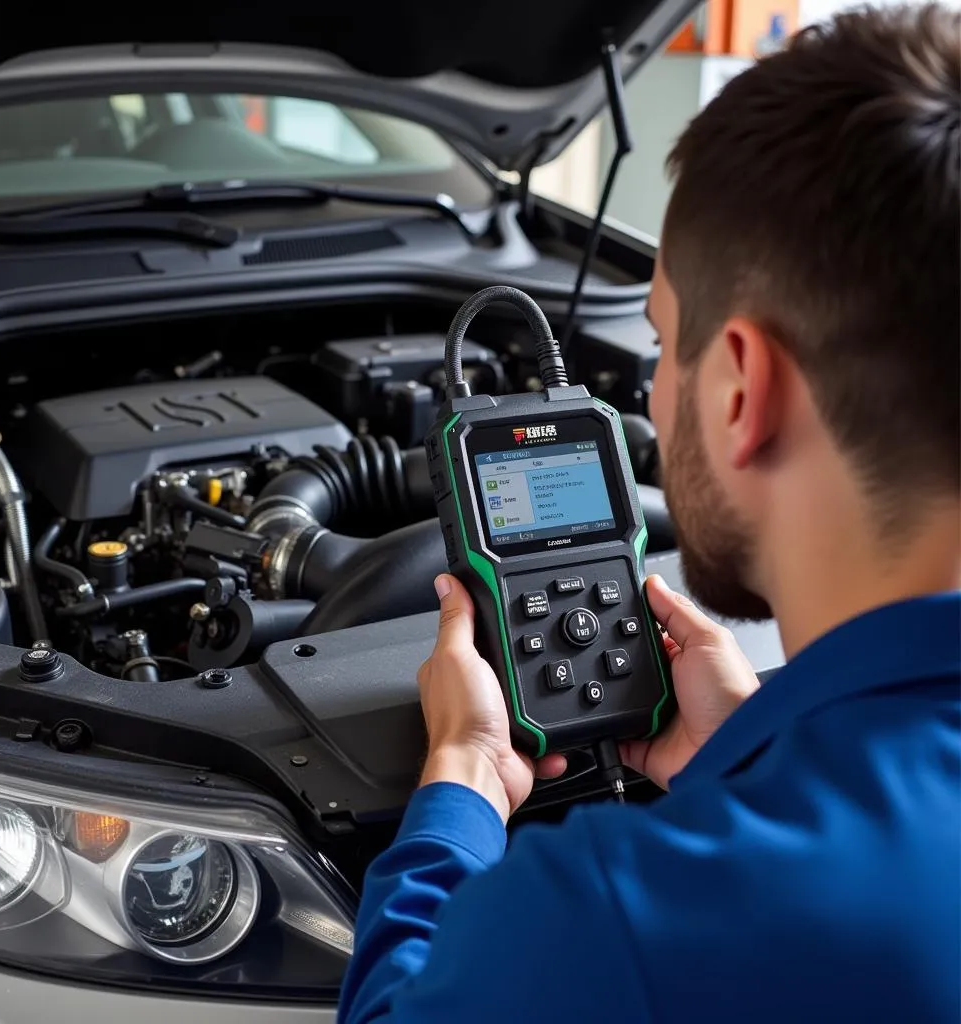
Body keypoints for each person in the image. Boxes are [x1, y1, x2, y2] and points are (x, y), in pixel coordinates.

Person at [337, 5, 960, 1022]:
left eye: (664, 344)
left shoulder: (608, 911)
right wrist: (745, 748)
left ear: (738, 388)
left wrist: (457, 779)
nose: (654, 390)